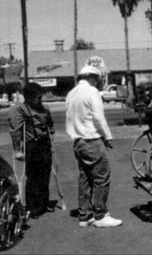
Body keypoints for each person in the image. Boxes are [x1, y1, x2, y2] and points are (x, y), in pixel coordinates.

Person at [65, 65, 122, 228]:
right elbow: (98, 117)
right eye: (97, 79)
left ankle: (85, 215)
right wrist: (108, 137)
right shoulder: (92, 92)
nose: (98, 83)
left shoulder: (71, 93)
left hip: (78, 141)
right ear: (92, 77)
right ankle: (101, 215)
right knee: (101, 177)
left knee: (84, 177)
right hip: (92, 139)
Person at [8, 83, 54, 219]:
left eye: (41, 96)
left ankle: (43, 204)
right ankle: (32, 207)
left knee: (45, 176)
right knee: (33, 177)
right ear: (28, 97)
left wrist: (51, 141)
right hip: (31, 145)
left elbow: (50, 125)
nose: (41, 99)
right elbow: (15, 131)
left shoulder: (45, 108)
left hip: (44, 144)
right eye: (38, 97)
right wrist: (17, 150)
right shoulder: (19, 110)